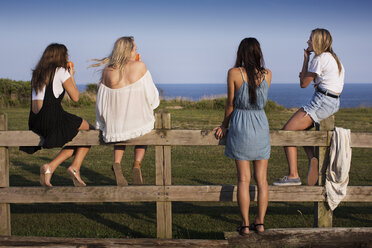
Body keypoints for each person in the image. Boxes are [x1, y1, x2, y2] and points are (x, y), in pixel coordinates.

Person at [214, 38, 271, 235]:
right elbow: (260, 101)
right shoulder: (267, 74)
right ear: (258, 53)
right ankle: (261, 223)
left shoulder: (234, 74)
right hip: (261, 126)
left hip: (240, 126)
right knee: (262, 181)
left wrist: (223, 125)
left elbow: (230, 104)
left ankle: (245, 225)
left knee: (244, 180)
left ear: (241, 53)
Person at [273, 28, 345, 186]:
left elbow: (303, 83)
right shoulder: (333, 58)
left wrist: (306, 59)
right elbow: (307, 80)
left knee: (287, 131)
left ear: (318, 41)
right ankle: (315, 160)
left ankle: (293, 176)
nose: (307, 41)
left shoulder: (320, 58)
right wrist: (307, 60)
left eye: (310, 39)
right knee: (301, 132)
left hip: (322, 100)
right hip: (331, 101)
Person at [91, 36, 159, 186]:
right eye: (135, 48)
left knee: (120, 132)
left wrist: (102, 121)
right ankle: (136, 164)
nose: (137, 51)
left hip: (116, 123)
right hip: (137, 121)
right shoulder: (140, 66)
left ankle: (117, 163)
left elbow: (101, 100)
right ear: (128, 50)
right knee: (146, 128)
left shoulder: (107, 71)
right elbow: (152, 96)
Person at [24, 43, 93, 187]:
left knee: (76, 135)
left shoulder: (37, 73)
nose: (68, 58)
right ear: (61, 56)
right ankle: (73, 167)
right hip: (52, 118)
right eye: (66, 55)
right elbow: (75, 97)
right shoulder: (61, 71)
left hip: (35, 121)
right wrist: (71, 75)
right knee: (90, 131)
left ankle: (51, 168)